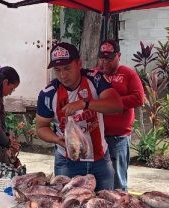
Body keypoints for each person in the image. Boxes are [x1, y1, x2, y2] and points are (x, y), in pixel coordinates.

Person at [35, 42, 123, 191]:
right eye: (58, 70)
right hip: (68, 161)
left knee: (104, 203)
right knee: (69, 206)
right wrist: (57, 140)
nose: (63, 75)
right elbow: (41, 127)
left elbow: (116, 105)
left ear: (79, 64)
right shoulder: (49, 93)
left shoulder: (95, 80)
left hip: (100, 158)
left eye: (67, 68)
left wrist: (84, 104)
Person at [96, 39, 146, 191]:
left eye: (109, 59)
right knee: (99, 176)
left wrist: (113, 102)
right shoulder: (95, 74)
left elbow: (139, 98)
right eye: (102, 58)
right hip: (98, 135)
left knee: (118, 179)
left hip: (118, 137)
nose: (105, 63)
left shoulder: (128, 73)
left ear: (119, 55)